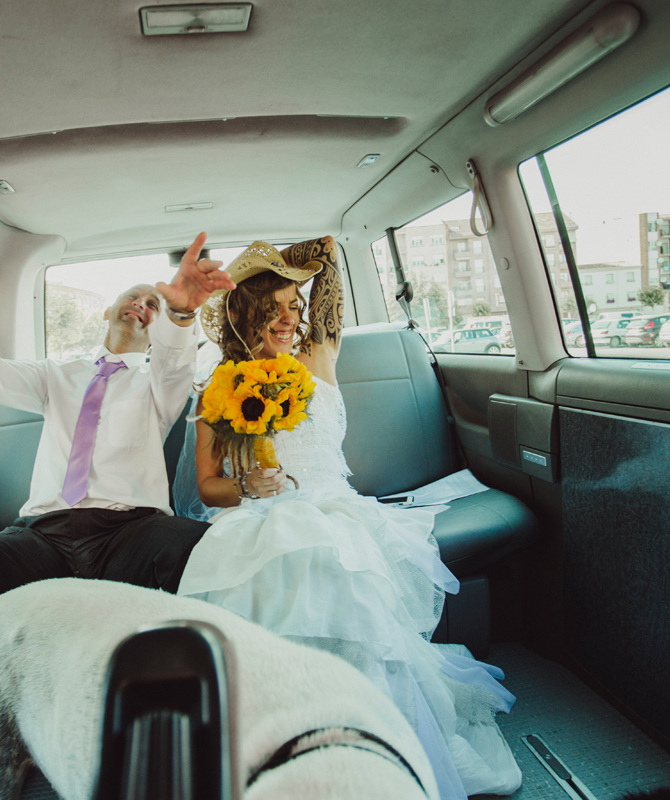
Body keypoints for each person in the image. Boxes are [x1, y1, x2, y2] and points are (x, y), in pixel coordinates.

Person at [175, 238, 522, 798]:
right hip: (255, 516)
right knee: (269, 589)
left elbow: (329, 270)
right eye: (273, 310)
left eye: (294, 306)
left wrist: (288, 259)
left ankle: (375, 748)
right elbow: (207, 488)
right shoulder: (218, 387)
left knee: (335, 570)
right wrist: (242, 487)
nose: (288, 320)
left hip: (333, 507)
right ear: (245, 316)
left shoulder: (319, 353)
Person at [0, 232, 234, 751]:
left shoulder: (159, 383)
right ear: (108, 313)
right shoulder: (57, 374)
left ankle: (200, 730)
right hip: (41, 537)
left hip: (132, 533)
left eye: (153, 303)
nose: (141, 304)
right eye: (132, 297)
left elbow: (176, 364)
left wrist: (180, 316)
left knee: (214, 552)